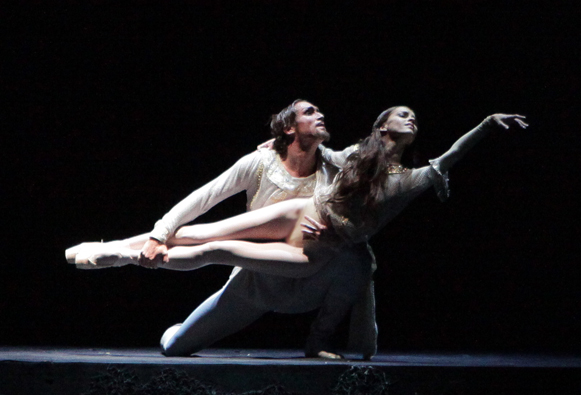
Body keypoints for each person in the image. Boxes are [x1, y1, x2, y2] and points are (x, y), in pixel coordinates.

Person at [70, 106, 527, 355]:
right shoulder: (344, 157)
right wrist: (277, 141)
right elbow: (212, 195)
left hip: (314, 253)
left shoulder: (402, 178)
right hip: (286, 231)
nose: (412, 120)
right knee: (205, 235)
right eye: (401, 114)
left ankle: (144, 270)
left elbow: (447, 158)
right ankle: (119, 252)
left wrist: (486, 125)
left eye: (414, 118)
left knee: (182, 330)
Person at [66, 99, 377, 359]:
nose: (320, 114)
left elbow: (375, 189)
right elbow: (205, 197)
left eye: (320, 111)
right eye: (309, 112)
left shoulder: (332, 169)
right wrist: (158, 235)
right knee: (174, 346)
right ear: (288, 127)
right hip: (254, 278)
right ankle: (115, 248)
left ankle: (320, 340)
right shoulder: (260, 162)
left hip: (305, 278)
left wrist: (335, 236)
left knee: (358, 255)